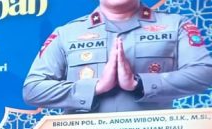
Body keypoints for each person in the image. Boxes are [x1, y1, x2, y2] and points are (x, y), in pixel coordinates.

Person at [23, 0, 212, 113]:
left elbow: (205, 73)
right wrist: (95, 87)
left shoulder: (176, 25)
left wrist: (139, 84)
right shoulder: (66, 33)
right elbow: (33, 89)